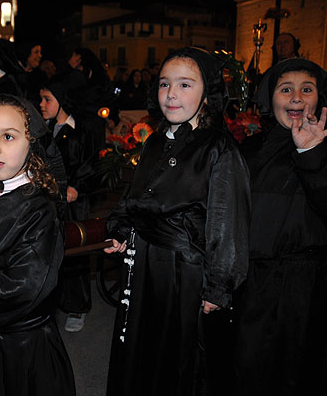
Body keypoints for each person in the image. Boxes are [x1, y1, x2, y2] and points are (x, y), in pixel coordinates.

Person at [103, 47, 250, 396]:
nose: (171, 94)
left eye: (185, 85)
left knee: (180, 360)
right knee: (143, 349)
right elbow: (136, 198)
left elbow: (227, 221)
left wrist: (218, 287)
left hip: (184, 273)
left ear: (207, 93)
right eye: (164, 84)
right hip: (145, 268)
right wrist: (121, 228)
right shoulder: (154, 142)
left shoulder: (219, 149)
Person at [0, 94, 76, 396]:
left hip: (21, 346)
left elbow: (23, 287)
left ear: (33, 144)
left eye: (9, 136)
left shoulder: (41, 208)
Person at [233, 58, 327, 396]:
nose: (297, 98)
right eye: (286, 89)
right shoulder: (249, 148)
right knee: (247, 364)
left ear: (321, 98)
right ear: (270, 98)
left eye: (307, 89)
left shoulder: (324, 147)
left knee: (299, 369)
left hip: (308, 283)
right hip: (253, 279)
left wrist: (310, 154)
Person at [40, 76, 97, 333]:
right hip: (48, 202)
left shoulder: (80, 132)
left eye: (47, 99)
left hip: (73, 204)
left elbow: (90, 166)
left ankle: (77, 307)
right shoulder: (44, 130)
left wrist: (77, 187)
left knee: (74, 254)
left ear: (61, 101)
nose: (41, 104)